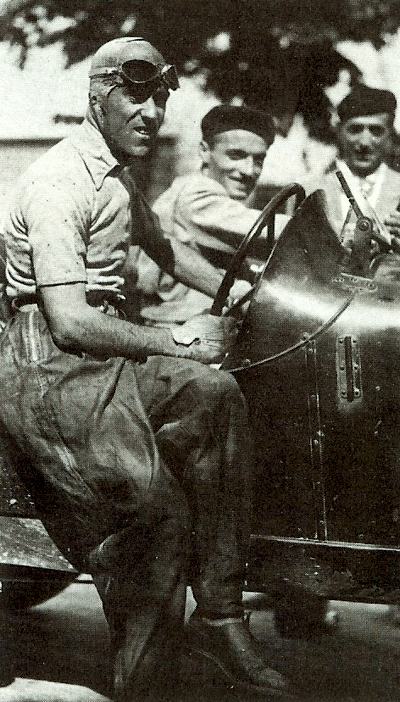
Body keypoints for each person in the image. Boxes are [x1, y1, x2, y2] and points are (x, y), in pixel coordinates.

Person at [0, 37, 293, 701]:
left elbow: (165, 249)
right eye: (138, 93)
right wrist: (178, 339)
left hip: (105, 358)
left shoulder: (116, 175)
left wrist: (254, 295)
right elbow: (70, 320)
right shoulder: (56, 184)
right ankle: (146, 689)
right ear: (97, 93)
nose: (153, 110)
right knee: (155, 519)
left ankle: (220, 616)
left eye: (162, 96)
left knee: (216, 394)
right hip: (49, 371)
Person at [132, 104, 288, 325]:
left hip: (207, 327)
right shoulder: (196, 194)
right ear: (204, 151)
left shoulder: (208, 195)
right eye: (236, 155)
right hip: (182, 333)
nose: (248, 170)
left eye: (258, 160)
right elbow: (267, 232)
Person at [302, 85, 400, 262]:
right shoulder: (310, 188)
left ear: (390, 136)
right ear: (339, 131)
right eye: (355, 129)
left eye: (376, 131)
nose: (364, 142)